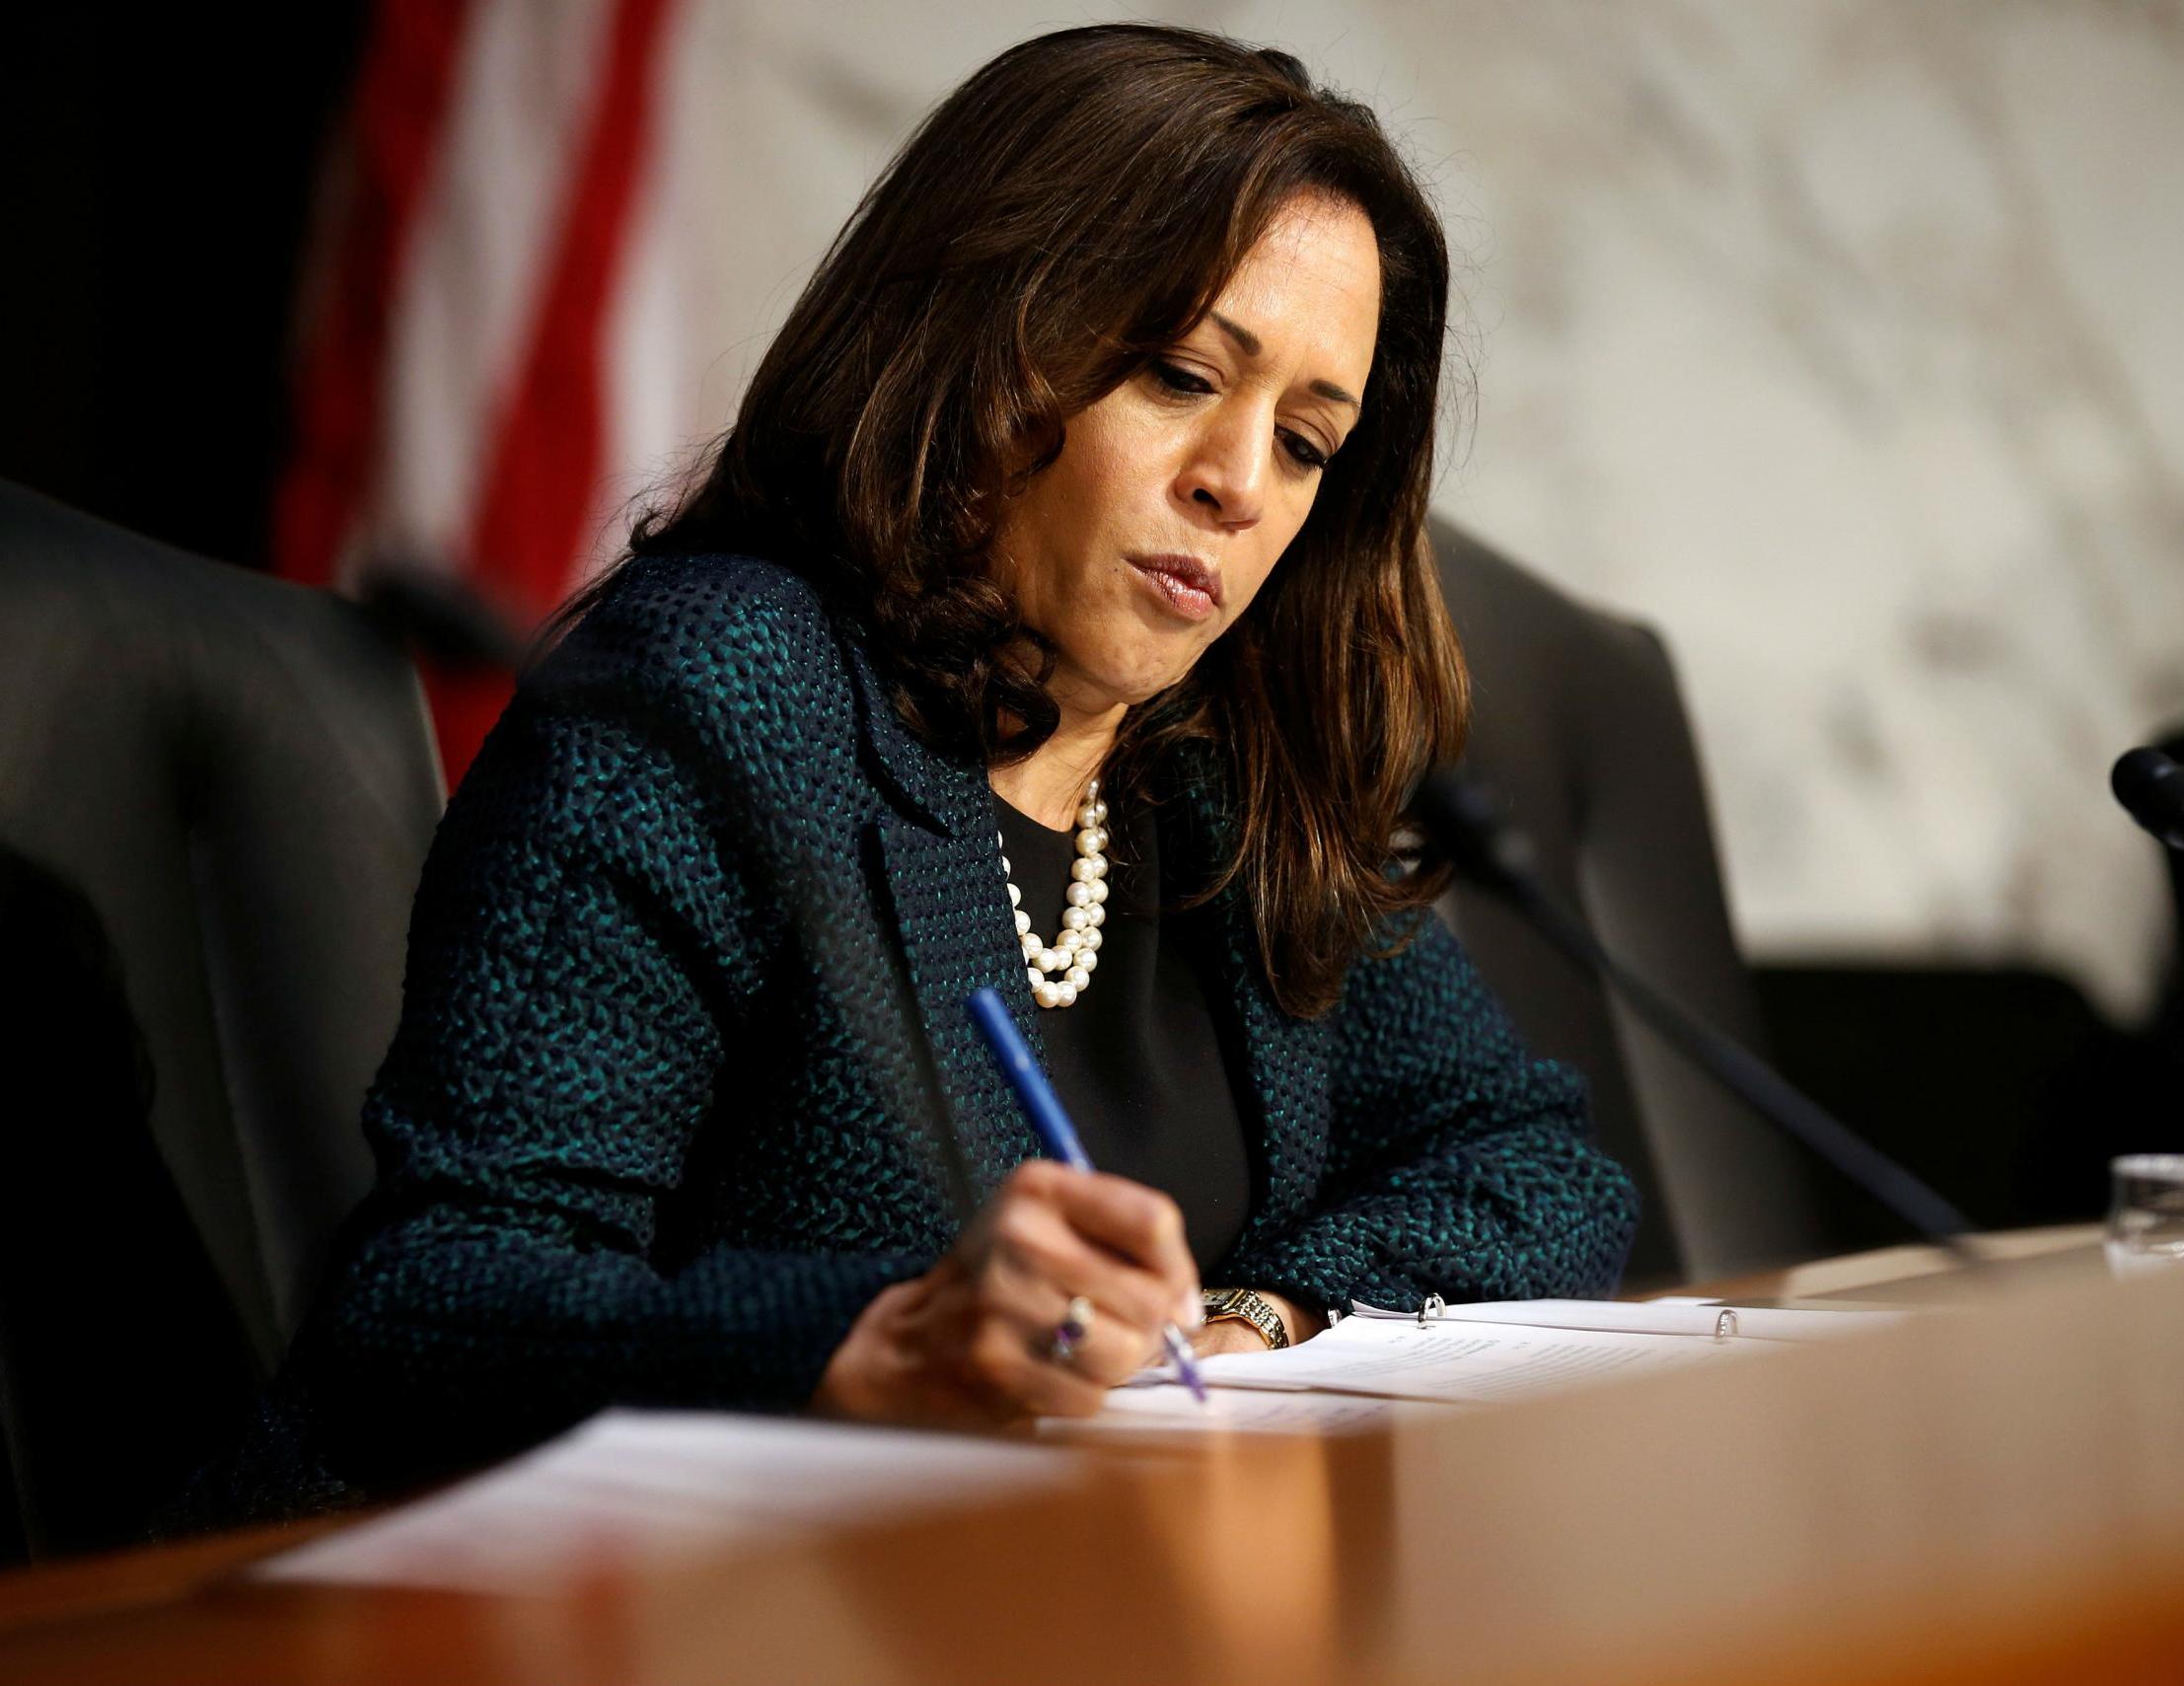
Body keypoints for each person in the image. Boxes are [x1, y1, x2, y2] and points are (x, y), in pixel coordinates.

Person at [185, 22, 1636, 1520]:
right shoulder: (720, 699)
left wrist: (1263, 1316)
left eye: (1306, 440)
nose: (1236, 481)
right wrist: (865, 1343)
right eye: (1178, 373)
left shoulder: (1213, 777)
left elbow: (1530, 1162)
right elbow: (425, 1312)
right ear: (990, 345)